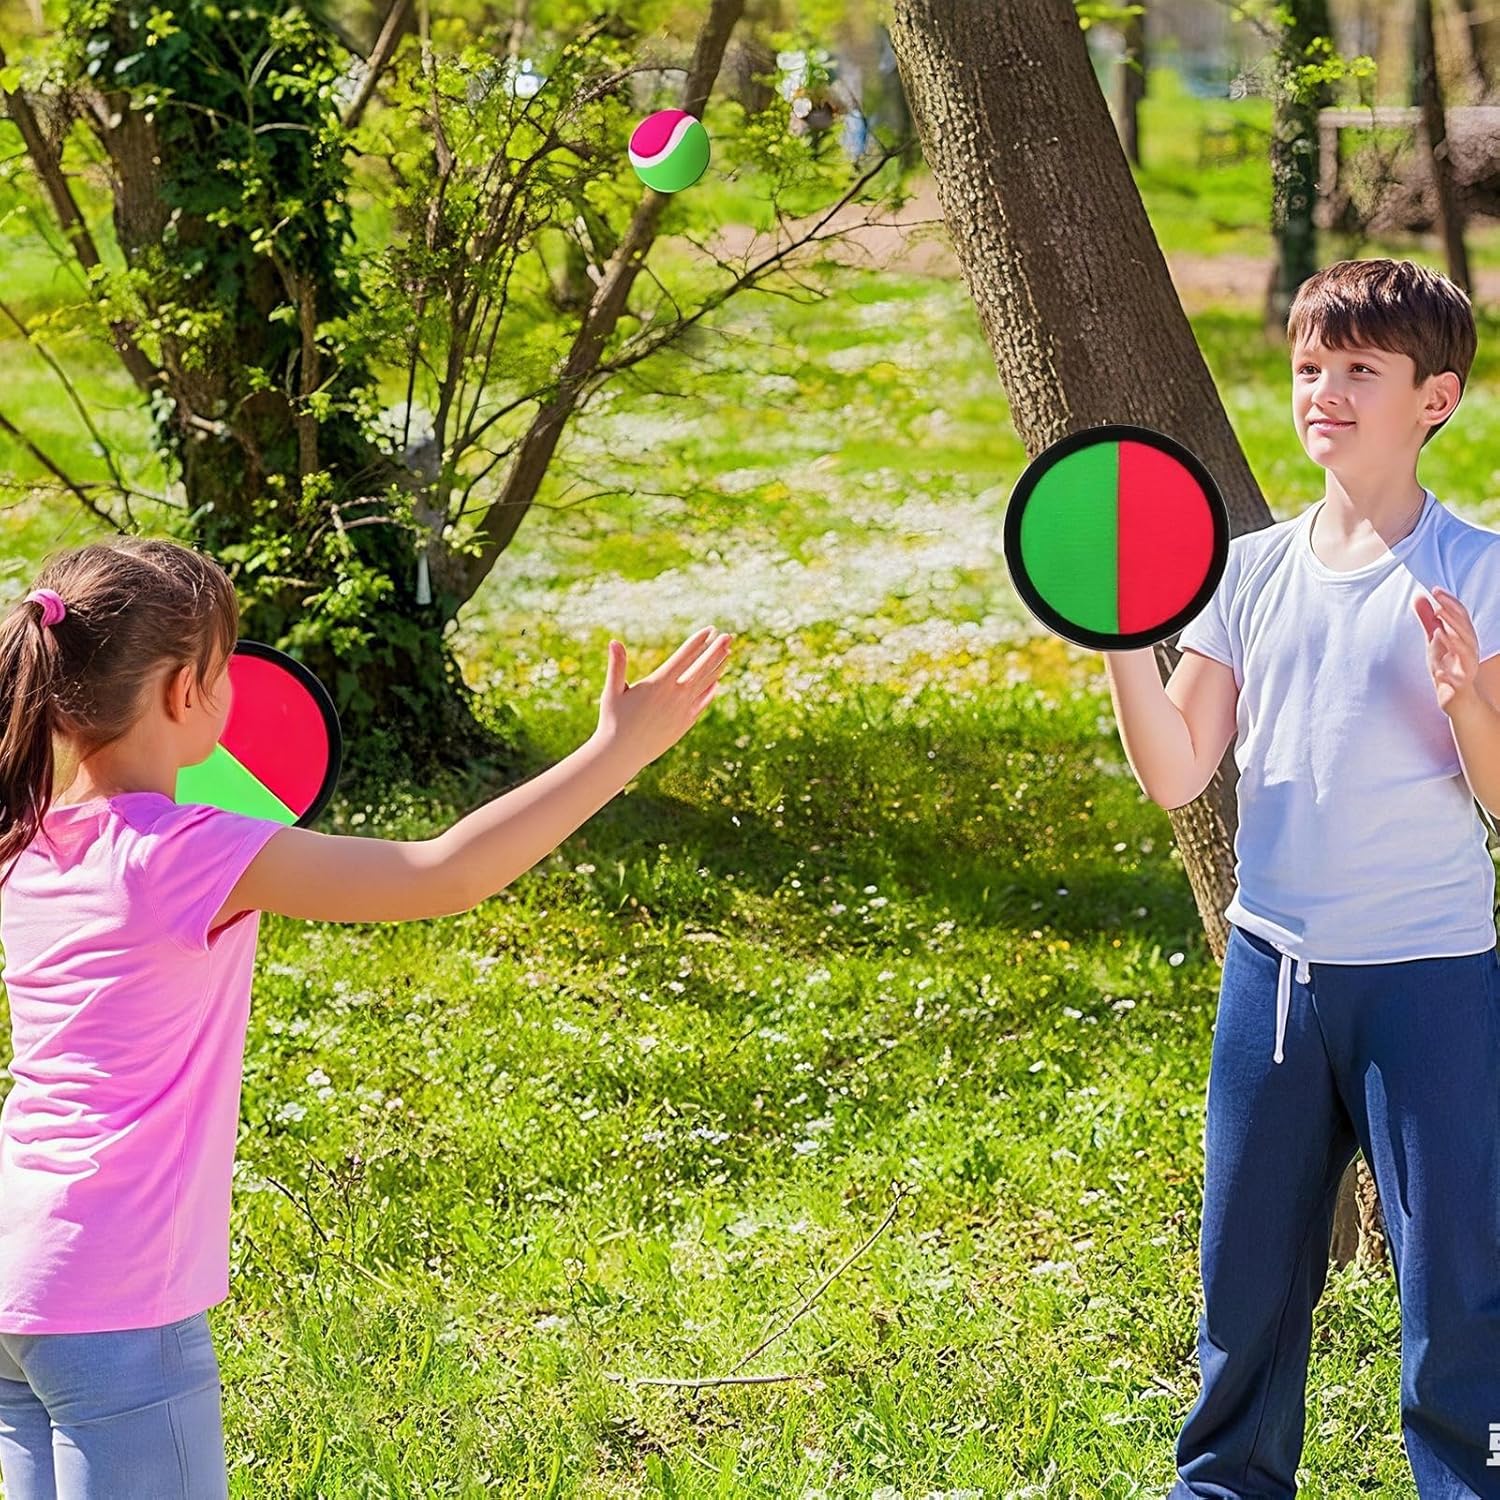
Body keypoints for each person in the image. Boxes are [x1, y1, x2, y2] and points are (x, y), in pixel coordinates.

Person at [0, 533, 732, 1498]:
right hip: (115, 1291)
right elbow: (443, 873)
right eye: (226, 668)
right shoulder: (182, 851)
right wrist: (616, 750)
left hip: (18, 1270)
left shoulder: (28, 835)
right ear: (184, 692)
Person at [1103, 258, 1500, 1499]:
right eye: (1310, 365)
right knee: (1245, 1288)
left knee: (1457, 1294)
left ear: (1434, 399)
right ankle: (1224, 1486)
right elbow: (1178, 770)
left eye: (1359, 370)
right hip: (1271, 978)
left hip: (1429, 982)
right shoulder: (1248, 571)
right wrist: (1119, 644)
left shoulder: (1479, 569)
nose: (1324, 389)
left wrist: (1469, 699)